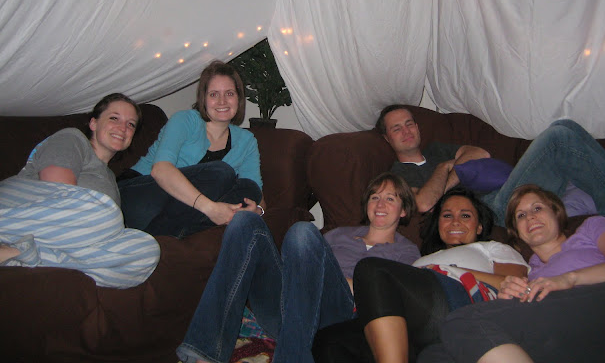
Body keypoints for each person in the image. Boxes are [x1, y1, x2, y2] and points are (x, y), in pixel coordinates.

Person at [175, 172, 421, 363]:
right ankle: (204, 352)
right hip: (288, 308)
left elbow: (391, 298)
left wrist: (338, 281)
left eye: (390, 199)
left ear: (404, 210)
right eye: (375, 197)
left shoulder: (406, 251)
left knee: (303, 232)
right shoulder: (338, 234)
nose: (380, 204)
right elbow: (300, 268)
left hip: (338, 316)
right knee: (244, 221)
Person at [422, 184, 605, 363]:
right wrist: (508, 298)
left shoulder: (590, 228)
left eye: (537, 208)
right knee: (435, 354)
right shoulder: (532, 273)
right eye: (521, 215)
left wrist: (568, 279)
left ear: (556, 212)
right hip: (572, 338)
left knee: (463, 320)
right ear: (516, 231)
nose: (530, 217)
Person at [313, 189, 529, 363]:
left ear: (479, 226)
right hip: (411, 327)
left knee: (371, 269)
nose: (455, 221)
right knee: (329, 340)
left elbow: (512, 284)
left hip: (459, 303)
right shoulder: (420, 259)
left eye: (465, 215)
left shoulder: (492, 247)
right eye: (447, 215)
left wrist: (452, 269)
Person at [377, 104, 605, 224]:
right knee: (558, 136)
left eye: (410, 123)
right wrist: (444, 168)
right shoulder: (397, 175)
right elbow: (424, 203)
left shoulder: (436, 149)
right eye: (397, 128)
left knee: (565, 126)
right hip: (495, 209)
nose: (406, 130)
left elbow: (478, 153)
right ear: (387, 138)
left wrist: (449, 171)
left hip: (507, 191)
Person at [0, 93, 160, 289]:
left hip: (55, 236)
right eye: (114, 118)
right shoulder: (72, 138)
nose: (123, 128)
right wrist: (106, 220)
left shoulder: (110, 179)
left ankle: (19, 254)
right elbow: (58, 191)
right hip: (17, 208)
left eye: (131, 124)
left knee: (147, 250)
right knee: (107, 214)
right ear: (93, 123)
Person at [118, 60, 264, 238]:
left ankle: (164, 235)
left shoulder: (247, 141)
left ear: (239, 98)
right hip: (139, 196)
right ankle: (165, 232)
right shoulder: (184, 120)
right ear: (203, 99)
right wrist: (211, 208)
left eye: (229, 93)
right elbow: (160, 170)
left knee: (249, 188)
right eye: (214, 94)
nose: (222, 101)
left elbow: (256, 192)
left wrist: (257, 210)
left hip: (178, 211)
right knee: (222, 172)